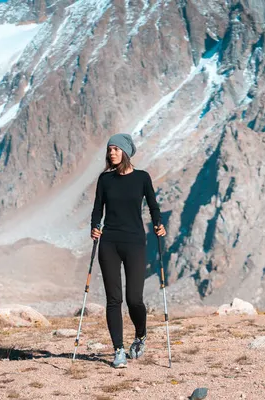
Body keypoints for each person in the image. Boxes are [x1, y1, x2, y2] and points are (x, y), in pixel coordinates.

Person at [90, 132, 166, 368]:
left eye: (115, 148)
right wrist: (94, 227)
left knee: (134, 299)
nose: (111, 152)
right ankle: (118, 350)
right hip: (109, 242)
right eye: (109, 149)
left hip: (134, 242)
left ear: (125, 151)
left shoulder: (142, 178)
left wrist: (158, 224)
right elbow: (96, 209)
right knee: (114, 299)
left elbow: (153, 205)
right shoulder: (105, 180)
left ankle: (141, 335)